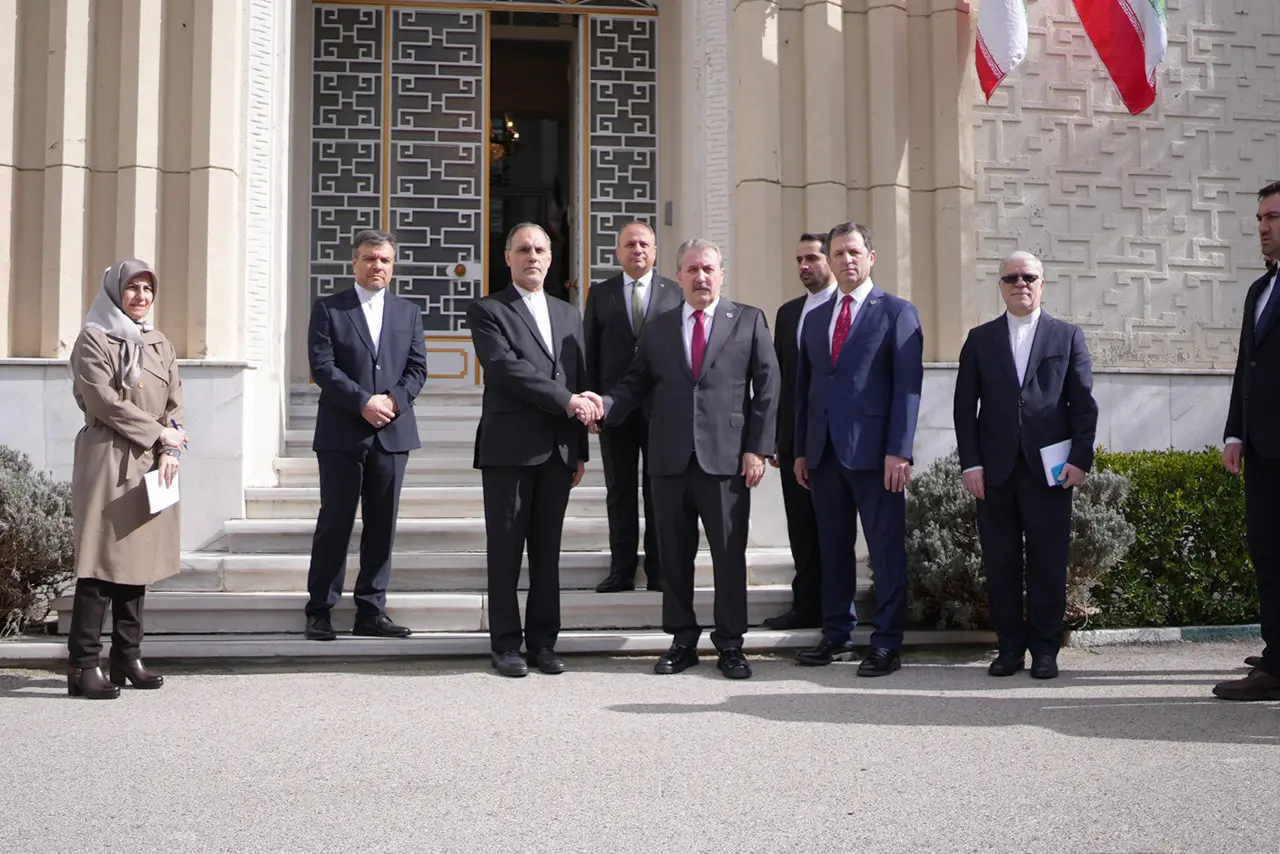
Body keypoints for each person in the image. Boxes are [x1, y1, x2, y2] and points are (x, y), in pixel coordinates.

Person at [599, 238, 780, 679]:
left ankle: (731, 644)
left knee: (728, 556)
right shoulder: (658, 328)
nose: (701, 277)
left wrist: (757, 447)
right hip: (669, 459)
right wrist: (603, 406)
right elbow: (636, 383)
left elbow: (768, 387)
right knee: (673, 557)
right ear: (678, 275)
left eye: (708, 269)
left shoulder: (749, 320)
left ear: (721, 274)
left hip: (726, 461)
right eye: (692, 270)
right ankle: (682, 640)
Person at [953, 251, 1098, 680]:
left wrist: (1080, 459)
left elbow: (1083, 404)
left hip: (1049, 472)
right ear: (1001, 286)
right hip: (995, 472)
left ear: (1042, 283)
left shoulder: (1067, 336)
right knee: (1000, 564)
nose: (1021, 284)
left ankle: (1045, 650)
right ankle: (1009, 649)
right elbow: (964, 409)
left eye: (1029, 277)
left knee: (1048, 563)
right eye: (1012, 278)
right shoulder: (979, 339)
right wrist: (971, 464)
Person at [794, 222, 923, 677]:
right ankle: (837, 634)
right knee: (832, 548)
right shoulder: (815, 318)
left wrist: (899, 451)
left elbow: (908, 388)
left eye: (853, 252)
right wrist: (802, 449)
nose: (846, 260)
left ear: (871, 257)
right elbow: (807, 390)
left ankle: (886, 642)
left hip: (877, 456)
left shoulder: (897, 312)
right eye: (838, 253)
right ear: (829, 260)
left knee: (885, 550)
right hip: (824, 453)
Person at [468, 222, 597, 678]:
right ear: (508, 258)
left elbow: (578, 375)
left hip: (557, 451)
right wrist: (567, 400)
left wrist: (579, 449)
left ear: (550, 257)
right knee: (505, 551)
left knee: (547, 553)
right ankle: (506, 644)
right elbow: (506, 369)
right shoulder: (488, 310)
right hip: (509, 451)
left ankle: (543, 642)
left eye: (540, 249)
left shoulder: (568, 313)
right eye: (523, 250)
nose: (533, 257)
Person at [67, 259, 189, 699]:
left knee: (138, 563)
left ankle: (126, 656)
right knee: (99, 562)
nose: (141, 296)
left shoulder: (159, 343)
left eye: (147, 289)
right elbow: (103, 401)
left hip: (152, 461)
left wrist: (170, 449)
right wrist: (158, 433)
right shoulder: (93, 339)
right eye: (132, 288)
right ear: (115, 292)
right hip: (107, 456)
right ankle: (83, 664)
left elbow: (174, 402)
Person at [303, 230, 427, 641]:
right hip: (342, 432)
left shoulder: (408, 312)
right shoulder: (329, 308)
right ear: (354, 262)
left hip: (393, 433)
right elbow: (322, 366)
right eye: (370, 258)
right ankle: (320, 609)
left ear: (393, 266)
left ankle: (371, 610)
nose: (378, 266)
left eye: (385, 260)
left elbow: (417, 369)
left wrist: (392, 401)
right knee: (335, 522)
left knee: (382, 525)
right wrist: (362, 402)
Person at [583, 221, 683, 593]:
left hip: (662, 411)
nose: (637, 250)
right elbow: (590, 351)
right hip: (615, 409)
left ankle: (659, 570)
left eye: (643, 244)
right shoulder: (601, 293)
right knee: (620, 491)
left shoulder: (675, 292)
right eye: (630, 244)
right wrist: (593, 402)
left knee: (658, 492)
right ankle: (621, 569)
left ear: (655, 251)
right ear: (618, 252)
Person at [1214, 181, 1280, 702]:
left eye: (1273, 217)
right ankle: (1277, 657)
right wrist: (1235, 431)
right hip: (1262, 447)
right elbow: (1246, 366)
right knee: (1268, 551)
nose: (1263, 227)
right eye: (1260, 218)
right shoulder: (1259, 290)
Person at [762, 233, 836, 635]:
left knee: (833, 528)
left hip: (835, 440)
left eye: (812, 258)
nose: (804, 266)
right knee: (801, 527)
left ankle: (835, 612)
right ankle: (805, 606)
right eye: (799, 260)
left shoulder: (846, 308)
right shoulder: (789, 313)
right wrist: (776, 436)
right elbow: (779, 379)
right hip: (794, 440)